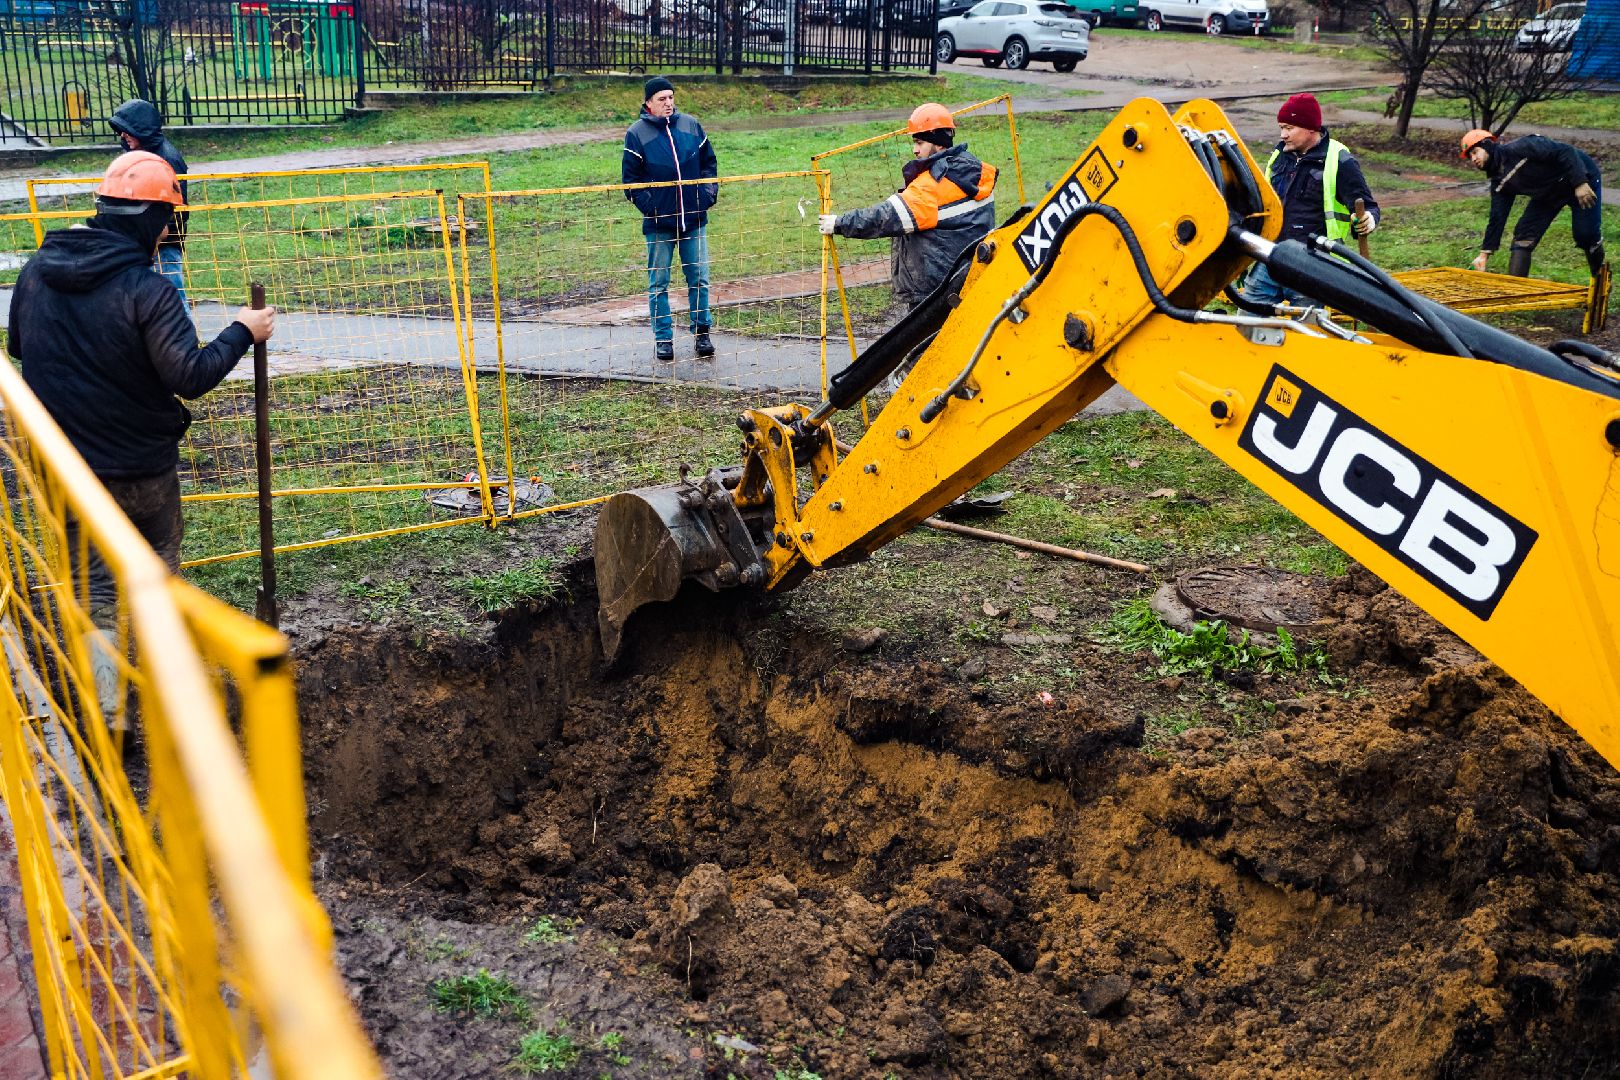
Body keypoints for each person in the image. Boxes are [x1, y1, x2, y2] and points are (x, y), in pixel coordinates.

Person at [7, 151, 274, 608]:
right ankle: (161, 672)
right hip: (138, 470)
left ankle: (104, 679)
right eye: (166, 218)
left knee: (95, 597)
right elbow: (188, 374)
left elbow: (18, 346)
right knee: (158, 588)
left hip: (63, 470)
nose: (168, 231)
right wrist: (243, 332)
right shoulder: (147, 291)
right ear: (149, 220)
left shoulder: (35, 272)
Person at [818, 103, 998, 311]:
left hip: (936, 291)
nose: (915, 149)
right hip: (971, 277)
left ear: (938, 143)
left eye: (920, 142)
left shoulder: (933, 185)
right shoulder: (972, 170)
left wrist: (839, 223)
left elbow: (885, 217)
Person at [1241, 92, 1379, 308]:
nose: (1283, 135)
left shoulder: (1338, 160)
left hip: (1312, 264)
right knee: (1248, 327)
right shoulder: (1279, 156)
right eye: (1281, 127)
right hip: (1270, 257)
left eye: (1289, 128)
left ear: (1310, 128)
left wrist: (1369, 219)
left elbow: (1368, 206)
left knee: (1307, 334)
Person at [622, 76, 718, 363]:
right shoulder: (636, 134)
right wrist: (653, 208)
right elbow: (631, 182)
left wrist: (706, 196)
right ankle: (663, 338)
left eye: (671, 97)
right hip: (658, 224)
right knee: (659, 282)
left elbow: (709, 164)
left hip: (694, 219)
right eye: (662, 98)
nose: (668, 103)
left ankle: (702, 333)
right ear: (648, 103)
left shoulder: (691, 125)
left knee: (699, 278)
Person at [1460, 128, 1606, 281]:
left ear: (1487, 145)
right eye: (1470, 156)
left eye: (1475, 152)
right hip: (1549, 193)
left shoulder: (1522, 147)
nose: (1473, 158)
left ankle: (1600, 281)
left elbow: (1565, 151)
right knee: (1524, 235)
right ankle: (1516, 294)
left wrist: (1580, 182)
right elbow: (1497, 218)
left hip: (1580, 178)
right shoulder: (1499, 184)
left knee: (1585, 234)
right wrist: (1483, 256)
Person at [110, 98, 190, 311]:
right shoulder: (137, 155)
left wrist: (155, 235)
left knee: (173, 303)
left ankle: (185, 343)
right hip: (140, 242)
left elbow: (179, 210)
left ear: (141, 130)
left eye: (126, 130)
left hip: (163, 247)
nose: (122, 135)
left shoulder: (167, 159)